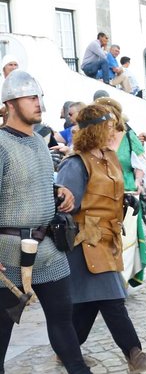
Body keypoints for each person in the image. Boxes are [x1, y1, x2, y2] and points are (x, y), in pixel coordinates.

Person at [56, 104, 146, 372]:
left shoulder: (108, 157)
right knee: (112, 300)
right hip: (85, 242)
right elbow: (67, 205)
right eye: (109, 126)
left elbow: (108, 189)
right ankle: (134, 355)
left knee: (89, 305)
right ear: (95, 129)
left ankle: (66, 351)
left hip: (107, 238)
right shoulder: (75, 163)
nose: (115, 131)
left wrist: (125, 197)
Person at [0, 71, 92, 374]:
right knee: (1, 331)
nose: (39, 104)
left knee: (63, 319)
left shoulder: (39, 142)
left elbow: (28, 185)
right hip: (7, 253)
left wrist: (57, 191)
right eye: (31, 98)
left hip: (47, 248)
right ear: (10, 104)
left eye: (39, 97)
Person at [94, 97, 146, 286]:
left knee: (126, 238)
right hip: (104, 192)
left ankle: (123, 280)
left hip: (127, 190)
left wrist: (137, 181)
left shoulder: (128, 136)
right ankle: (112, 278)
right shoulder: (96, 137)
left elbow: (139, 163)